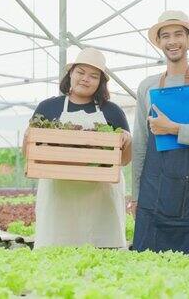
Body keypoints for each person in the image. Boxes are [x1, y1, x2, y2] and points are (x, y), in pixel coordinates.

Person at [131, 10, 189, 255]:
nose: (172, 41)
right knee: (146, 261)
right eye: (166, 36)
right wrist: (136, 194)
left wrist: (174, 129)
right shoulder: (147, 86)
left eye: (178, 34)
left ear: (188, 38)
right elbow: (140, 143)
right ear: (159, 42)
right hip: (153, 188)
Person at [31, 47, 132, 249]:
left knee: (103, 249)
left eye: (93, 76)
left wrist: (128, 140)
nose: (86, 79)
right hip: (58, 195)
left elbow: (124, 160)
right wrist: (28, 138)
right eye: (80, 72)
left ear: (100, 82)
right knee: (56, 249)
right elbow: (31, 155)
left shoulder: (112, 111)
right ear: (70, 74)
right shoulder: (47, 107)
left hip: (101, 197)